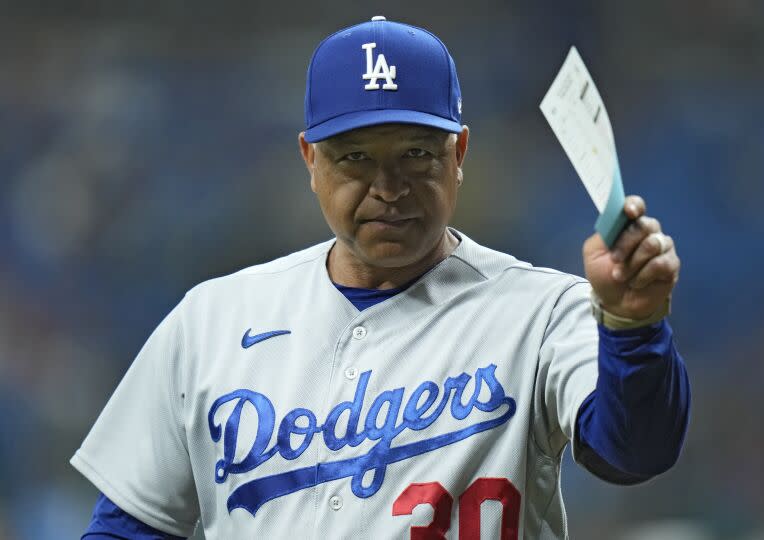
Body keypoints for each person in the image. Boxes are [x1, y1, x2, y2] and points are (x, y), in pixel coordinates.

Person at [73, 16, 690, 540]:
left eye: (416, 155)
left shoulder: (544, 312)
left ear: (460, 155)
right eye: (356, 158)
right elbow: (129, 526)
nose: (388, 189)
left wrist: (633, 327)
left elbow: (635, 451)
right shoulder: (210, 321)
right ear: (310, 161)